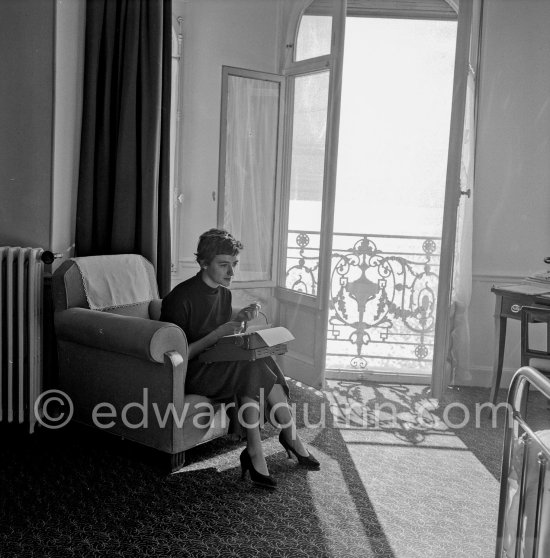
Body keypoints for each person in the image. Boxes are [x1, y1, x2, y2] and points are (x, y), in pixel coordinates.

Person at [160, 228, 320, 488]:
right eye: (224, 265)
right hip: (192, 373)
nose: (231, 273)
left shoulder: (224, 294)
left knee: (259, 357)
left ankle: (262, 448)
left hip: (217, 366)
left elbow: (224, 343)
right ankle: (286, 439)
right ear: (203, 263)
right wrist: (219, 333)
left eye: (233, 265)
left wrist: (239, 323)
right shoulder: (180, 298)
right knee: (252, 366)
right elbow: (178, 357)